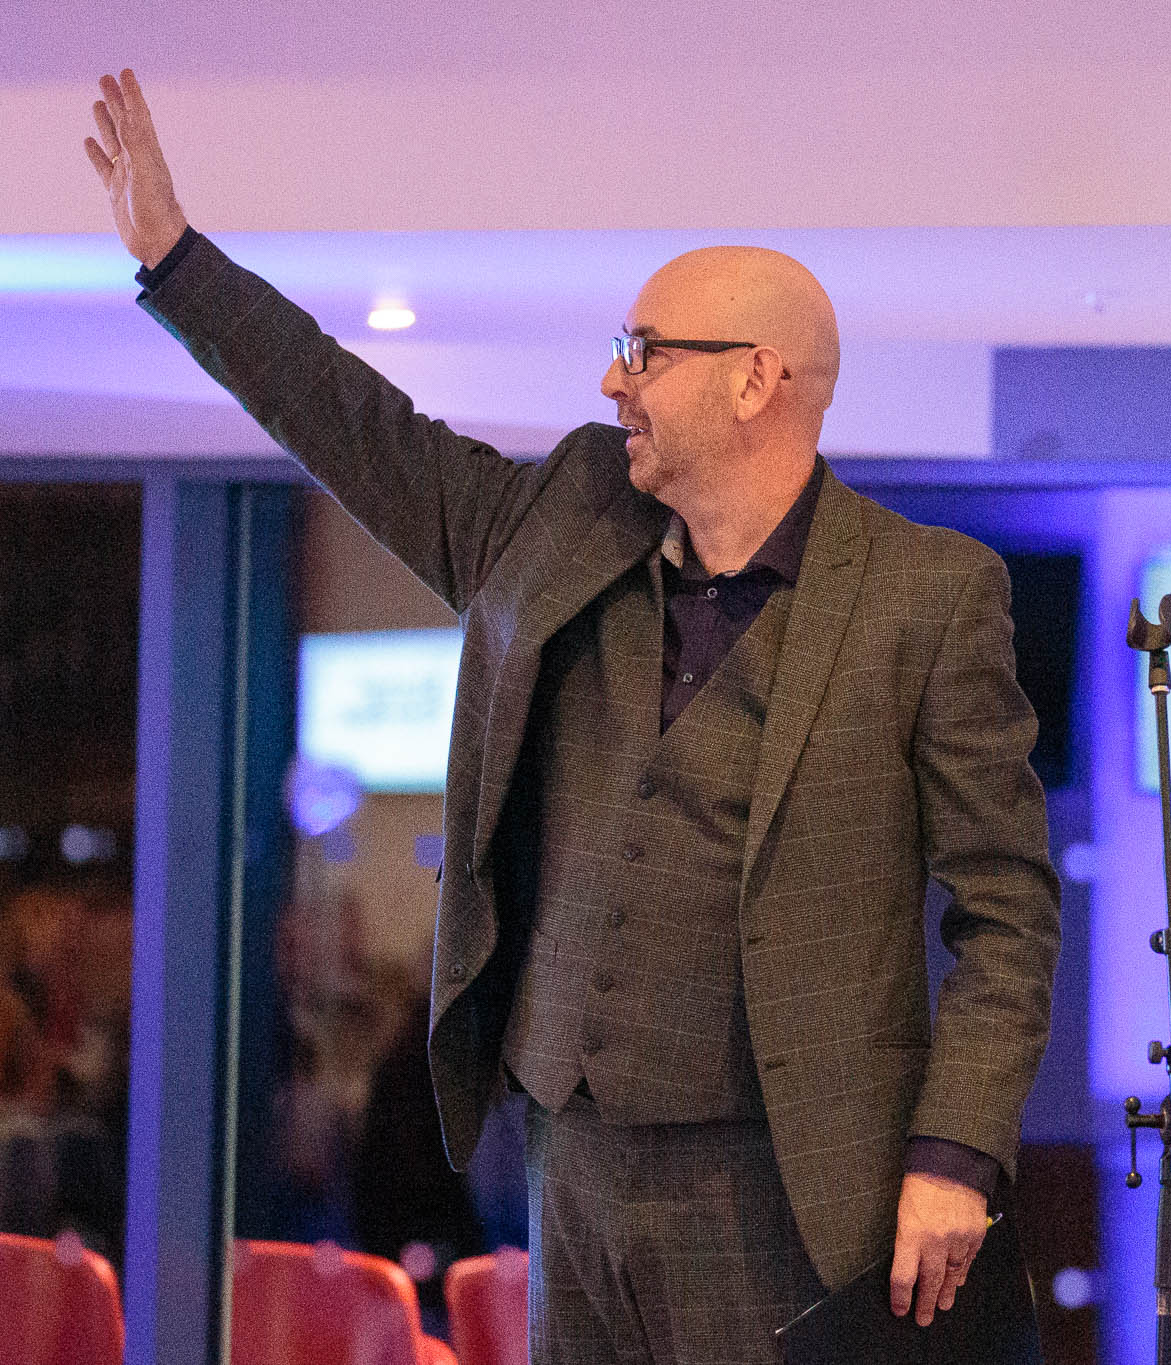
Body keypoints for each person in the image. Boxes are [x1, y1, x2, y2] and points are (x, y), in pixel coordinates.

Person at [85, 68, 1060, 1365]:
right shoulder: (563, 523)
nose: (613, 379)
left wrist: (956, 1149)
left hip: (781, 1184)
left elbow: (1007, 908)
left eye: (645, 351)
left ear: (756, 380)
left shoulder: (925, 596)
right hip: (569, 1161)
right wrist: (175, 262)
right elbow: (359, 429)